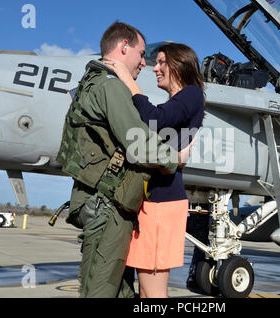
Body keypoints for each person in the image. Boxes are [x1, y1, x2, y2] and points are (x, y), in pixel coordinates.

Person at [56, 22, 191, 298]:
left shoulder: (89, 83)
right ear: (124, 47)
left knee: (123, 292)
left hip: (100, 202)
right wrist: (174, 158)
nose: (144, 62)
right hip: (107, 208)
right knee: (102, 291)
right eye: (141, 54)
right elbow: (139, 144)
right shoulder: (111, 87)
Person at [104, 42, 205, 298]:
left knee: (153, 294)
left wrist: (127, 79)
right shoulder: (176, 101)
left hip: (163, 203)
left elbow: (154, 121)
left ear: (179, 65)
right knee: (147, 294)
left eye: (161, 62)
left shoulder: (191, 94)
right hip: (151, 203)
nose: (155, 68)